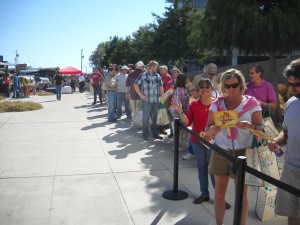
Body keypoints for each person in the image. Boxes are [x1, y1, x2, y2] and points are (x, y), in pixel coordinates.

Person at [205, 68, 263, 225]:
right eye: (227, 86)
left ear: (241, 85)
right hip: (221, 150)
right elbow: (207, 130)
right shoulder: (217, 104)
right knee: (219, 191)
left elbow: (261, 129)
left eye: (235, 85)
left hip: (243, 153)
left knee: (241, 195)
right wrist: (212, 130)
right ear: (223, 86)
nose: (231, 89)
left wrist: (250, 125)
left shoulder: (251, 103)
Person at [172, 77, 232, 209]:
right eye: (202, 87)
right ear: (198, 90)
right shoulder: (194, 104)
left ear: (211, 89)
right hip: (197, 141)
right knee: (202, 169)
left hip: (213, 142)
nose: (204, 89)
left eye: (207, 86)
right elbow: (188, 122)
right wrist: (181, 111)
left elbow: (224, 122)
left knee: (214, 171)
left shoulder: (217, 104)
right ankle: (204, 194)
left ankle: (219, 198)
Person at [267, 59, 300, 225]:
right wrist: (277, 141)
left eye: (297, 84)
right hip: (290, 169)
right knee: (291, 212)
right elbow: (286, 132)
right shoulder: (291, 103)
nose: (293, 89)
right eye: (290, 84)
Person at [133, 60, 164, 140]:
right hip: (146, 101)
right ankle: (145, 135)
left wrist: (162, 97)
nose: (157, 69)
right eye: (156, 67)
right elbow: (135, 85)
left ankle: (155, 134)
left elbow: (161, 86)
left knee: (155, 118)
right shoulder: (143, 75)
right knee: (146, 119)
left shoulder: (157, 76)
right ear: (152, 66)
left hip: (156, 100)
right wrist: (141, 96)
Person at [159, 65, 172, 135]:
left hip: (165, 98)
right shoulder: (161, 77)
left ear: (166, 70)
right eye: (160, 69)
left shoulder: (168, 77)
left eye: (162, 69)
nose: (160, 70)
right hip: (162, 98)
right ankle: (162, 128)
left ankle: (163, 128)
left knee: (163, 113)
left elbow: (170, 89)